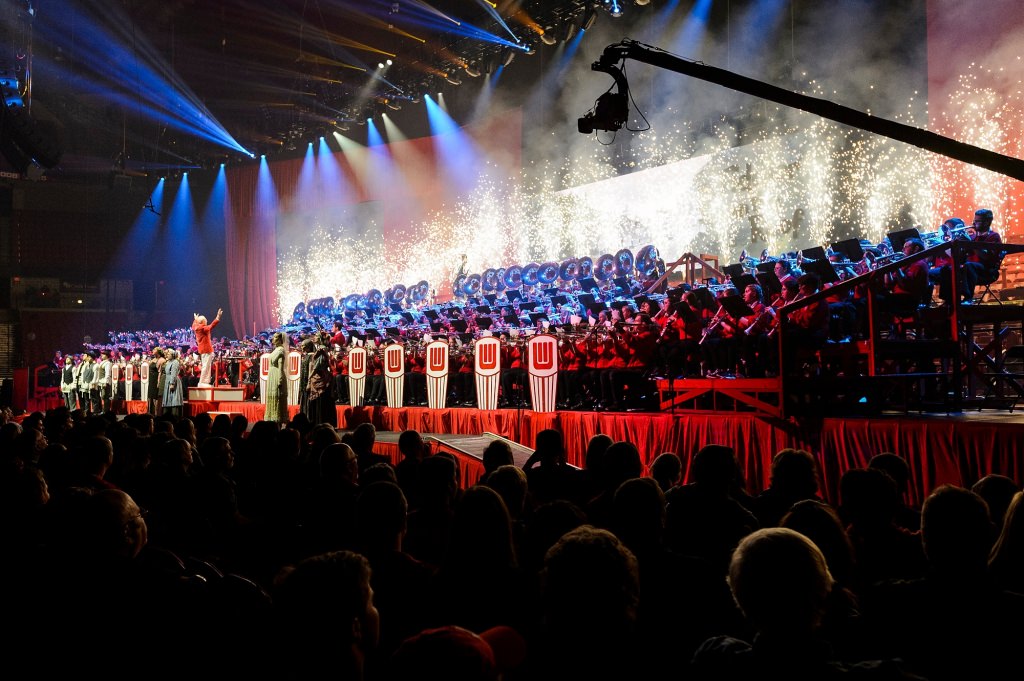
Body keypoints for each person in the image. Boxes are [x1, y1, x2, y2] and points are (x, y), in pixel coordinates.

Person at [192, 308, 223, 387]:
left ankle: (205, 381)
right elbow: (211, 326)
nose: (207, 322)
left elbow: (194, 324)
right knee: (206, 366)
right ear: (203, 322)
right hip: (206, 349)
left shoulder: (196, 326)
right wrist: (217, 317)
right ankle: (202, 382)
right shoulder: (203, 328)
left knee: (207, 365)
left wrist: (196, 319)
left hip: (203, 349)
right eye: (205, 321)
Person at [264, 331, 289, 424]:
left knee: (277, 397)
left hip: (276, 374)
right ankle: (272, 420)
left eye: (275, 337)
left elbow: (280, 366)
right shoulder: (276, 349)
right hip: (272, 374)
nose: (273, 339)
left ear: (279, 339)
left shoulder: (280, 350)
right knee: (272, 397)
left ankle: (277, 421)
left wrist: (280, 379)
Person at [161, 348, 184, 419]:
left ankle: (175, 415)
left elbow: (173, 373)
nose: (167, 355)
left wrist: (172, 383)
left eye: (168, 354)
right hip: (167, 380)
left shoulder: (175, 362)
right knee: (168, 398)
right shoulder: (169, 362)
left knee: (174, 398)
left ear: (173, 355)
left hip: (173, 381)